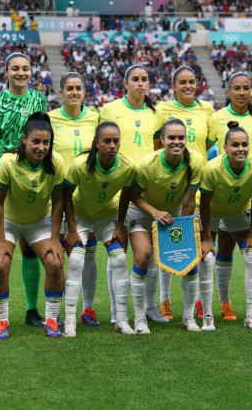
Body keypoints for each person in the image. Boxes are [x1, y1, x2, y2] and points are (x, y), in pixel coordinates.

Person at [0, 52, 49, 330]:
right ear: (5, 71)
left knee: (29, 249)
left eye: (26, 68)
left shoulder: (39, 100)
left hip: (30, 180)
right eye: (15, 69)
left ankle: (32, 310)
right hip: (1, 181)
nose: (21, 73)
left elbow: (44, 138)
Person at [0, 112, 67, 339]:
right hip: (8, 222)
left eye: (46, 142)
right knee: (0, 263)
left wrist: (54, 238)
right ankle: (2, 321)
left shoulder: (56, 162)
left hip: (38, 222)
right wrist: (2, 241)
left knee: (54, 262)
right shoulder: (8, 162)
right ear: (24, 139)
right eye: (36, 141)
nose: (41, 147)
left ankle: (51, 320)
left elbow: (59, 202)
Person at [128, 117, 205, 333]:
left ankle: (188, 318)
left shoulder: (195, 162)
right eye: (171, 137)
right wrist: (155, 213)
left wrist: (182, 229)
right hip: (143, 213)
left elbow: (189, 201)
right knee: (143, 256)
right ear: (162, 140)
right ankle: (140, 318)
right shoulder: (147, 164)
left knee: (191, 260)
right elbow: (134, 196)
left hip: (174, 214)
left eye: (181, 137)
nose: (177, 142)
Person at [206, 72, 252, 321]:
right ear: (229, 91)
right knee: (217, 250)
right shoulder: (217, 118)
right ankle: (220, 305)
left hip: (247, 195)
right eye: (237, 88)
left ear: (251, 91)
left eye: (246, 88)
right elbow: (203, 147)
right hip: (220, 191)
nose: (242, 92)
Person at [99, 64, 160, 323]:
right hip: (116, 192)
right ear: (126, 84)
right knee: (118, 253)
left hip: (146, 193)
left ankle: (150, 306)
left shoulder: (156, 114)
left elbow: (158, 148)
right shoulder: (110, 109)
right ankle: (117, 310)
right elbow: (102, 143)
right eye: (135, 79)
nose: (140, 83)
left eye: (144, 79)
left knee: (151, 254)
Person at [63, 121, 136, 336]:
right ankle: (69, 322)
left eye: (116, 141)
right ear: (97, 144)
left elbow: (126, 195)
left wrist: (121, 226)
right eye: (107, 141)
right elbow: (66, 196)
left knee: (120, 259)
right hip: (81, 216)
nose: (112, 145)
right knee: (76, 261)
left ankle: (121, 319)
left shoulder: (127, 166)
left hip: (107, 217)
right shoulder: (80, 165)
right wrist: (72, 230)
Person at [154, 65, 214, 322]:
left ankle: (198, 302)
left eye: (192, 81)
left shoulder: (207, 109)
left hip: (195, 188)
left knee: (193, 249)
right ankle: (165, 300)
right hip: (168, 191)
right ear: (174, 85)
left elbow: (207, 144)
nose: (188, 86)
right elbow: (158, 143)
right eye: (182, 82)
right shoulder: (162, 109)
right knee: (168, 247)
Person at [200, 121, 252, 330]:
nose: (241, 149)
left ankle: (250, 317)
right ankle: (208, 317)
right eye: (235, 145)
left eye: (244, 144)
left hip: (238, 212)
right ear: (225, 148)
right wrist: (206, 238)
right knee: (207, 258)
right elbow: (203, 204)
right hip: (211, 213)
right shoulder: (212, 168)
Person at [48, 72, 101, 327]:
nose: (74, 92)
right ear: (61, 92)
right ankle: (55, 311)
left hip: (87, 201)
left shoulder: (95, 117)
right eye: (69, 88)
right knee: (58, 258)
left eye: (78, 88)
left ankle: (88, 309)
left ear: (84, 91)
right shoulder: (51, 119)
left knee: (88, 257)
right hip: (58, 199)